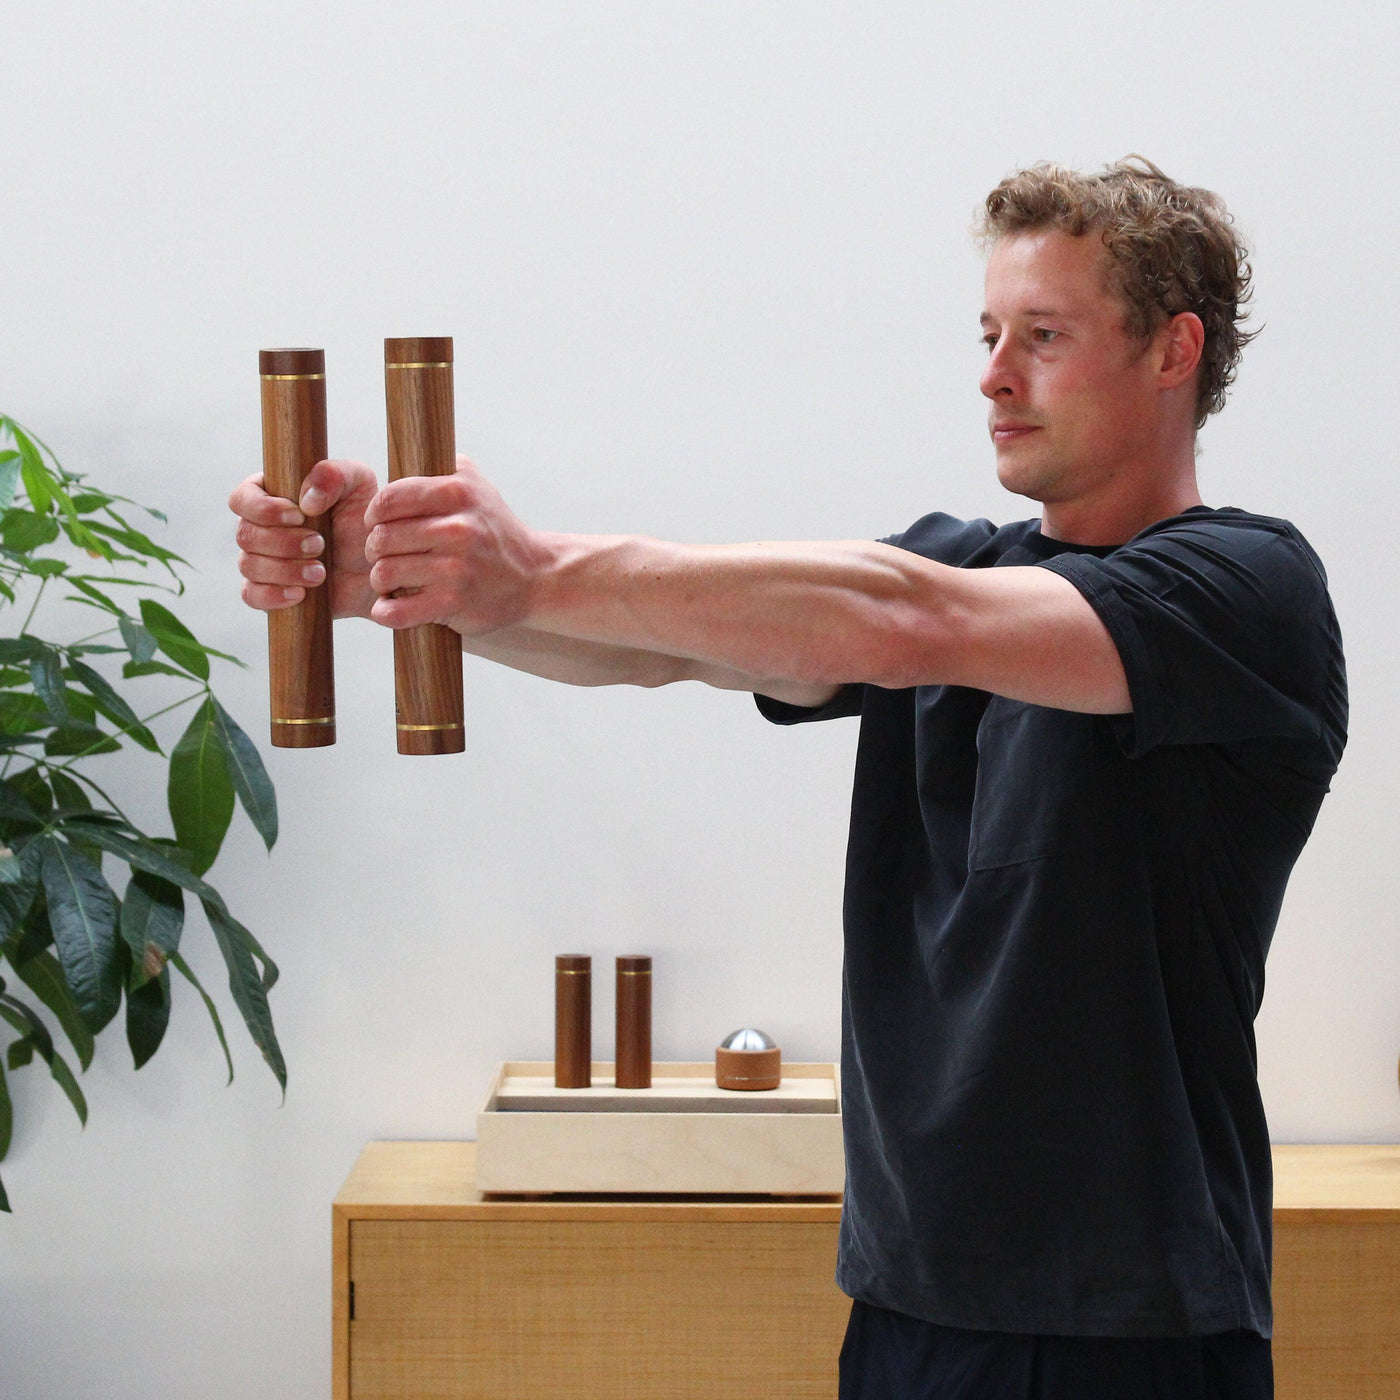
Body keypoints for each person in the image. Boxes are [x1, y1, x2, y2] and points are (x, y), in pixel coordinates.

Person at [231, 157, 1346, 1399]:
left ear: (1171, 350)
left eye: (1041, 335)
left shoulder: (1243, 592)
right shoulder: (957, 568)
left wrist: (529, 566)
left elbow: (900, 620)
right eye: (986, 333)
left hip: (1128, 1321)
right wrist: (409, 582)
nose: (992, 374)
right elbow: (662, 646)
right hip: (908, 1299)